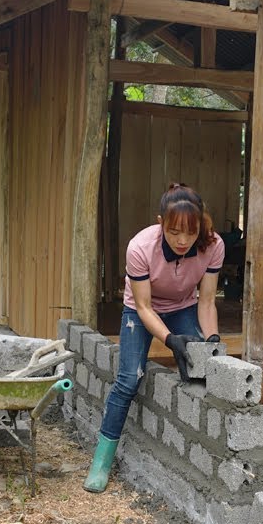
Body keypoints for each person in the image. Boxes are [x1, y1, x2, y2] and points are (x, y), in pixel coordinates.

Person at [84, 183, 224, 493]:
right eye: (174, 232)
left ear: (200, 225)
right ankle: (101, 461)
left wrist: (211, 339)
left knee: (199, 372)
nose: (183, 240)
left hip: (184, 305)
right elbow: (145, 306)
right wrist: (170, 339)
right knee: (129, 378)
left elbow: (206, 300)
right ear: (160, 223)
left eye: (190, 232)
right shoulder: (140, 247)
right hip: (141, 310)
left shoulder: (213, 245)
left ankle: (201, 461)